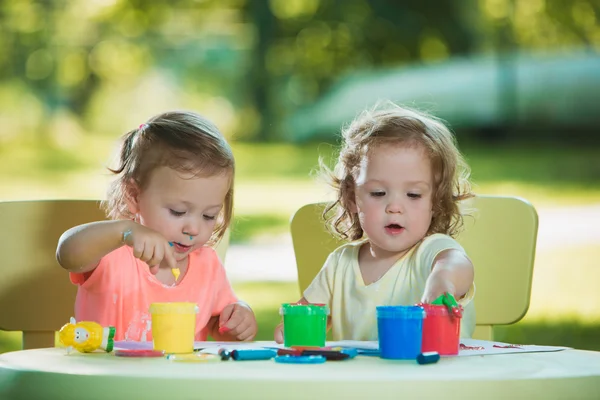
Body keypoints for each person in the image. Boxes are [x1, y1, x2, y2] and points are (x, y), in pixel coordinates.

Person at [275, 103, 475, 342]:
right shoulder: (340, 264)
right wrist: (291, 329)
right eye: (379, 193)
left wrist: (442, 282)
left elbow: (457, 265)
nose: (395, 207)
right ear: (352, 198)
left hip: (431, 376)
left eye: (413, 195)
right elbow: (306, 317)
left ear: (435, 202)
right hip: (361, 379)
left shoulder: (432, 252)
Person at [57, 111, 257, 342]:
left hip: (175, 378)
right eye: (178, 212)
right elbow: (67, 254)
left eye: (209, 215)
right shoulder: (112, 254)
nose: (193, 228)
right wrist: (123, 232)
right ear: (134, 195)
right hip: (109, 377)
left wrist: (237, 319)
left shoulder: (207, 266)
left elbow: (217, 325)